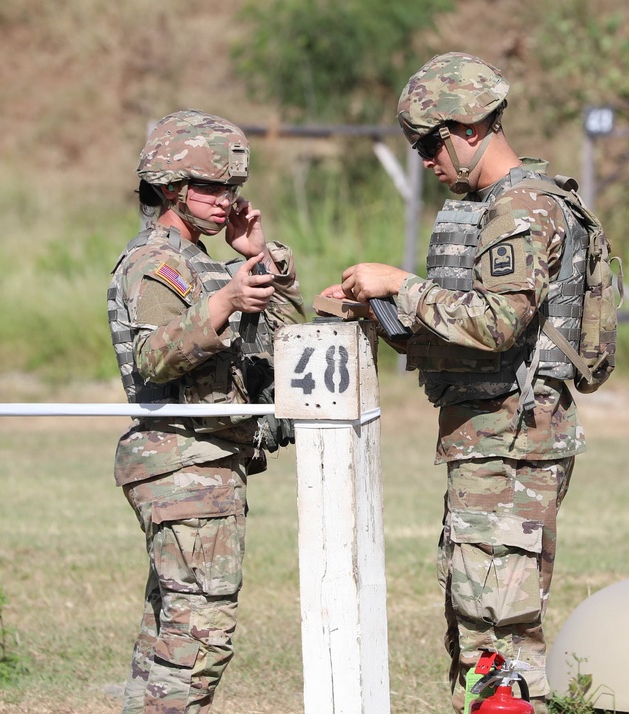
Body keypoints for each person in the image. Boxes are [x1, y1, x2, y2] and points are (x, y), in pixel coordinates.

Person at [321, 52, 591, 713]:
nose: (424, 160)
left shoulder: (521, 208)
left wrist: (401, 285)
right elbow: (471, 334)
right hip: (491, 439)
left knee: (496, 634)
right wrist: (380, 316)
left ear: (469, 127)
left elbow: (499, 325)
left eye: (429, 142)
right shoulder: (498, 205)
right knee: (481, 627)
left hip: (509, 442)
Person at [108, 109, 305, 714]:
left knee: (172, 631)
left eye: (234, 189)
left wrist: (256, 256)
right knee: (198, 638)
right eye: (212, 187)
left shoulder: (208, 262)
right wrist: (221, 302)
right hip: (181, 462)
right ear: (171, 189)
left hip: (210, 462)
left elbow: (290, 350)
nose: (227, 201)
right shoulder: (154, 264)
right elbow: (149, 359)